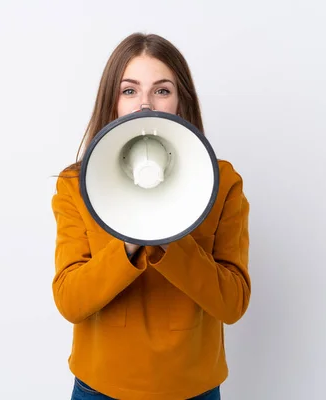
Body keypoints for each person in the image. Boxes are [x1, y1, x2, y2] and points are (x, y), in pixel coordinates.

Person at [51, 32, 251, 400]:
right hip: (101, 388)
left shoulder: (221, 183)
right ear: (111, 101)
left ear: (180, 101)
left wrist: (170, 234)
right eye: (129, 91)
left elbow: (232, 303)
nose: (145, 104)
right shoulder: (75, 186)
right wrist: (128, 240)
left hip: (193, 389)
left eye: (162, 90)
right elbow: (70, 301)